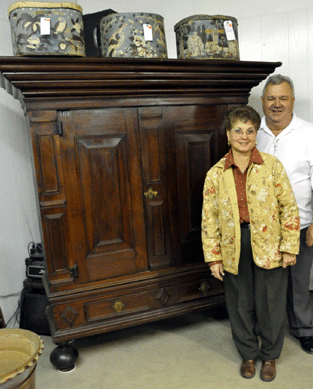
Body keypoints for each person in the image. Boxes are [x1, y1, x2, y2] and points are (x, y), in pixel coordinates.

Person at [202, 105, 300, 382]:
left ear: (256, 134)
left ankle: (269, 356)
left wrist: (289, 247)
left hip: (270, 242)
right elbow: (208, 218)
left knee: (271, 302)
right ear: (228, 135)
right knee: (240, 302)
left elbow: (289, 207)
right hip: (234, 245)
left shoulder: (272, 166)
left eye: (250, 130)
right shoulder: (216, 174)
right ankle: (247, 353)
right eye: (238, 130)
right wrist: (214, 257)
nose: (244, 136)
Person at [257, 74, 313, 354]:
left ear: (292, 101)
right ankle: (269, 330)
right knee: (268, 284)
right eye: (271, 98)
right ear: (263, 102)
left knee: (299, 283)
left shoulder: (309, 132)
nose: (276, 104)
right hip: (263, 228)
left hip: (301, 224)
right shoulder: (253, 134)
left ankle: (304, 329)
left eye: (283, 98)